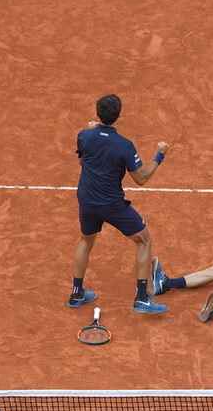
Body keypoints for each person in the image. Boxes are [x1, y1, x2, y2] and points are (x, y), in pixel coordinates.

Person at [68, 94, 170, 313]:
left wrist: (94, 133)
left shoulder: (84, 135)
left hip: (86, 201)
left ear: (98, 113)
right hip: (112, 205)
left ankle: (77, 293)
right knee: (144, 240)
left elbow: (81, 160)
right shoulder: (125, 145)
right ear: (118, 115)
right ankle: (142, 298)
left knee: (86, 242)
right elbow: (140, 179)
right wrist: (159, 155)